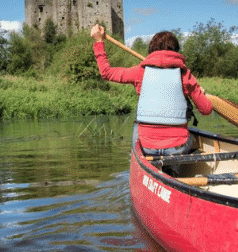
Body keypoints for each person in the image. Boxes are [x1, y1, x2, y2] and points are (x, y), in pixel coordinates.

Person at [90, 24, 212, 157]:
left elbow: (106, 73)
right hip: (177, 148)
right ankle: (174, 169)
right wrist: (199, 92)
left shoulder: (139, 72)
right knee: (191, 136)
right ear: (176, 51)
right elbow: (206, 110)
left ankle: (145, 163)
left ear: (151, 50)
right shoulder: (186, 75)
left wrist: (99, 42)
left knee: (138, 124)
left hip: (147, 147)